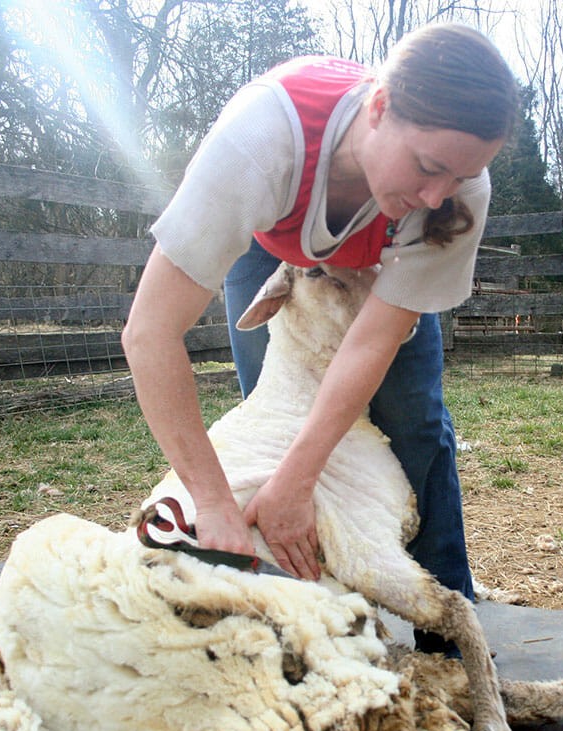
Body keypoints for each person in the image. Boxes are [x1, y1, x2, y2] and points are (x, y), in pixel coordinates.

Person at [122, 23, 518, 655]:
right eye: (427, 167)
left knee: (414, 420)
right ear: (379, 106)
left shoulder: (457, 195)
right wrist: (216, 503)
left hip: (382, 278)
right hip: (277, 244)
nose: (436, 194)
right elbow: (149, 333)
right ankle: (309, 615)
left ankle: (450, 631)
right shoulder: (261, 140)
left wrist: (298, 479)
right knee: (273, 418)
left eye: (461, 174)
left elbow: (369, 344)